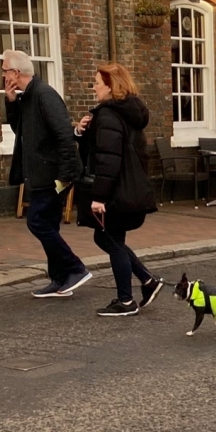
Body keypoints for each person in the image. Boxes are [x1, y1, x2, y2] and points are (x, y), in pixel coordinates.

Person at [2, 49, 91, 298]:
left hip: (55, 175)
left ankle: (75, 268)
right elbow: (20, 129)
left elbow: (64, 136)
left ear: (16, 73)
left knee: (37, 221)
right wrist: (10, 100)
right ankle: (60, 279)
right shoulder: (27, 97)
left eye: (5, 70)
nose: (3, 74)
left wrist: (64, 176)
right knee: (49, 223)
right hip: (40, 173)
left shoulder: (44, 95)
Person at [75, 63, 161, 316]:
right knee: (108, 238)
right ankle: (147, 280)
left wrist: (99, 196)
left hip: (116, 189)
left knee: (110, 240)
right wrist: (82, 132)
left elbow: (108, 158)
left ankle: (126, 300)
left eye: (97, 84)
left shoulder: (109, 116)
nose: (94, 88)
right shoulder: (128, 112)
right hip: (130, 186)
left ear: (111, 87)